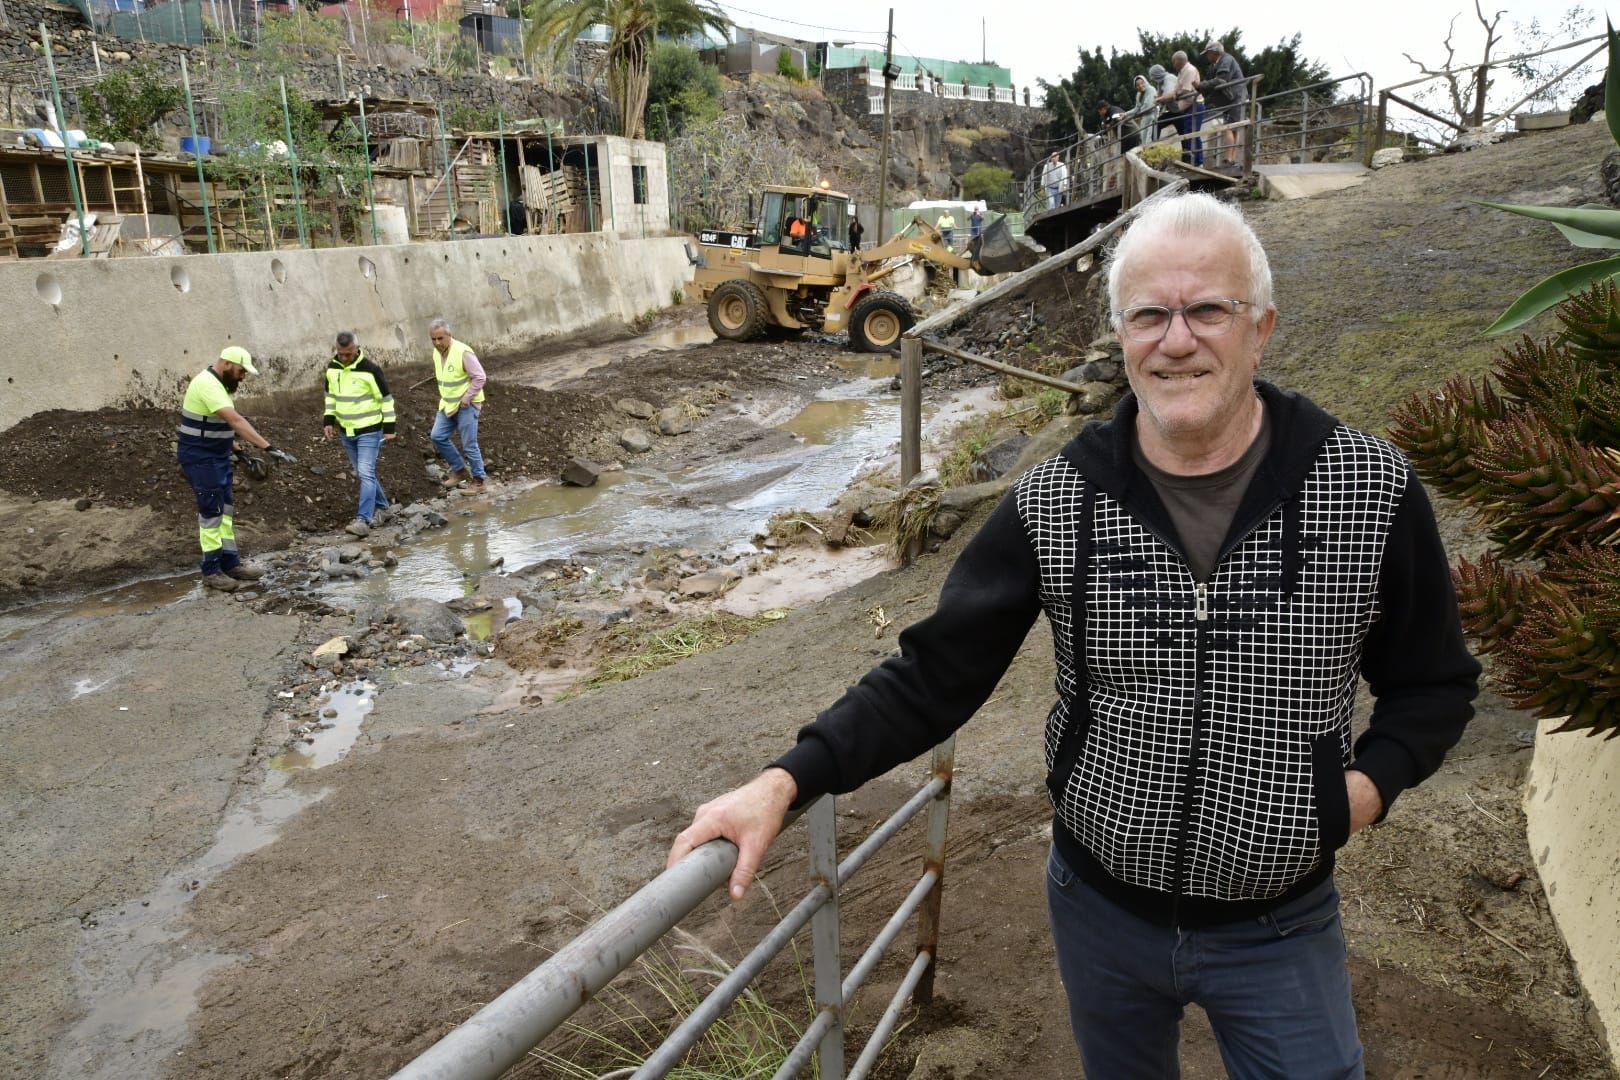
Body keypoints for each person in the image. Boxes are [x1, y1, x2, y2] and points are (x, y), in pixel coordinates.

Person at [668, 191, 1481, 1078]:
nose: (1177, 340)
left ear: (1262, 328)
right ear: (1123, 335)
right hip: (1100, 913)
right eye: (1149, 315)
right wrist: (788, 780)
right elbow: (936, 673)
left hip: (1280, 923)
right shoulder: (1057, 499)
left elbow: (1435, 684)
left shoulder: (1369, 487)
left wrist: (1357, 794)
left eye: (1209, 309)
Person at [176, 346, 275, 592]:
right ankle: (211, 571)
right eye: (242, 371)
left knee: (225, 512)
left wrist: (238, 451)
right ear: (228, 364)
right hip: (200, 458)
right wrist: (267, 447)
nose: (243, 377)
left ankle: (230, 563)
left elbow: (212, 424)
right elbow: (235, 420)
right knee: (211, 513)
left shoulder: (219, 386)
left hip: (217, 457)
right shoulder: (208, 385)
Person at [323, 330, 396, 538]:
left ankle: (363, 519)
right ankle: (383, 507)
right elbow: (330, 397)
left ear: (357, 349)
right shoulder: (332, 368)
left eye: (349, 353)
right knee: (364, 473)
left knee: (365, 473)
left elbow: (386, 400)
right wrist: (328, 420)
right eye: (341, 353)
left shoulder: (370, 370)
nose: (345, 358)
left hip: (370, 430)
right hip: (346, 431)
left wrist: (390, 427)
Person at [428, 318, 488, 493]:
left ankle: (479, 482)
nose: (437, 343)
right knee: (437, 436)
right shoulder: (436, 353)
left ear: (449, 335)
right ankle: (460, 470)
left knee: (469, 444)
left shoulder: (463, 352)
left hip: (466, 405)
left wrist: (467, 398)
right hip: (447, 404)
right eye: (433, 339)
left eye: (440, 338)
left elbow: (480, 377)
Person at [1199, 40, 1249, 166]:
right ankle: (1231, 158)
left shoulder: (1226, 60)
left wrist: (1201, 85)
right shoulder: (1215, 65)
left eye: (1208, 53)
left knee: (1229, 127)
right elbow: (1209, 81)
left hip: (1236, 97)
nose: (1207, 56)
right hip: (1232, 98)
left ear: (1214, 52)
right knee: (1233, 127)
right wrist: (1201, 87)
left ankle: (1229, 158)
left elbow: (1221, 80)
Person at [1160, 50, 1205, 166]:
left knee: (1192, 133)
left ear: (1178, 61)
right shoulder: (1181, 72)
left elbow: (1185, 90)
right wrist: (1173, 94)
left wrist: (1175, 95)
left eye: (1173, 62)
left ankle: (1198, 162)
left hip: (1195, 105)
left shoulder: (1189, 70)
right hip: (1187, 107)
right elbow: (1177, 90)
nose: (1173, 65)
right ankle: (1194, 162)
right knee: (1188, 133)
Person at [1148, 63, 1179, 141]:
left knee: (1183, 134)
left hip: (1180, 110)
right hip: (1173, 111)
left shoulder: (1169, 78)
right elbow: (1161, 99)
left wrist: (1159, 99)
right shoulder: (1160, 83)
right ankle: (1154, 146)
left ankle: (1187, 152)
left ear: (1157, 75)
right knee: (1156, 124)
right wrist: (1158, 99)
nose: (1153, 79)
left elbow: (1169, 94)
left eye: (1153, 76)